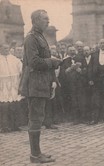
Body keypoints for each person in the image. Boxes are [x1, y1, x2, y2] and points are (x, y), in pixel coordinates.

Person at [19, 10, 62, 163]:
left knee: (38, 118)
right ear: (36, 20)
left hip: (41, 83)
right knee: (36, 119)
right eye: (45, 18)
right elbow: (34, 62)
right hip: (35, 84)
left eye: (48, 18)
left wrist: (52, 80)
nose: (48, 21)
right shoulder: (31, 38)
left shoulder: (39, 36)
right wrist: (52, 61)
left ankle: (37, 153)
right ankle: (35, 155)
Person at [0, 44, 23, 132]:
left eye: (7, 48)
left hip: (14, 85)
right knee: (4, 107)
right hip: (2, 86)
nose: (6, 50)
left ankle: (15, 125)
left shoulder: (15, 60)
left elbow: (22, 71)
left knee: (14, 105)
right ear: (0, 49)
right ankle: (4, 126)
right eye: (4, 48)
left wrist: (20, 84)